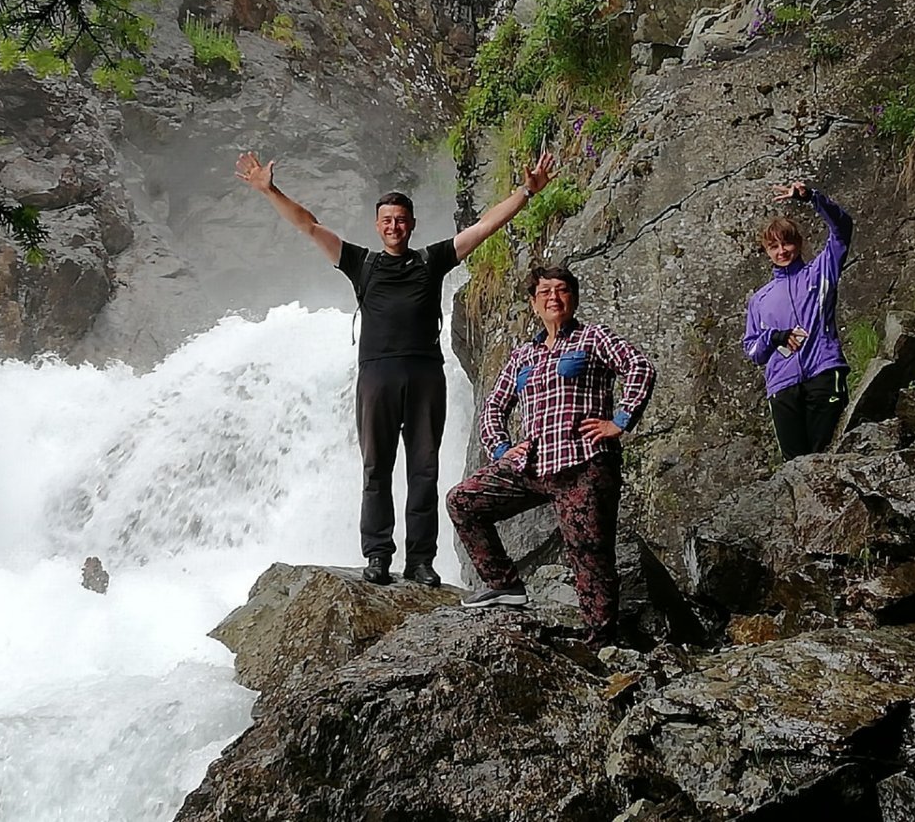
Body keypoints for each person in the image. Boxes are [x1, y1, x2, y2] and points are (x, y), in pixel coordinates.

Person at [235, 150, 557, 588]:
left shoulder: (431, 261)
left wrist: (526, 192)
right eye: (387, 220)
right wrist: (269, 189)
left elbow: (484, 227)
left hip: (426, 376)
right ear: (377, 225)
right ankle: (378, 555)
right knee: (376, 469)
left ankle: (421, 560)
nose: (394, 226)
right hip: (377, 378)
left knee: (423, 469)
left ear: (412, 224)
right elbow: (308, 225)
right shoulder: (361, 264)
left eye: (401, 219)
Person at [445, 266, 656, 647]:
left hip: (585, 462)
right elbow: (494, 406)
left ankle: (602, 641)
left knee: (589, 553)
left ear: (573, 298)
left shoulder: (593, 338)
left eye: (561, 291)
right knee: (463, 501)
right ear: (533, 303)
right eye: (544, 292)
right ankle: (504, 586)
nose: (553, 298)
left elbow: (639, 367)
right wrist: (501, 449)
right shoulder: (523, 356)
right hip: (534, 465)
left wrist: (620, 421)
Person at [742, 181, 854, 461]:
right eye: (774, 246)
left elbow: (843, 229)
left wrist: (812, 198)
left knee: (832, 454)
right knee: (798, 469)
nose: (782, 251)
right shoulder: (759, 300)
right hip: (782, 387)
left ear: (800, 243)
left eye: (788, 243)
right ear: (766, 251)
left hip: (824, 372)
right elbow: (753, 352)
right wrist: (774, 337)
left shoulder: (821, 270)